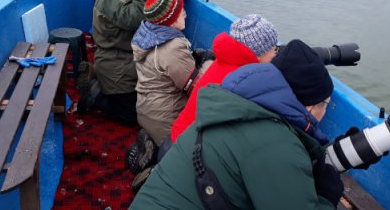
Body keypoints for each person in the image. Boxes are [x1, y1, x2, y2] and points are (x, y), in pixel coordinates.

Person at [131, 39, 345, 209]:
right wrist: (327, 195)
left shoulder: (231, 102)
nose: (325, 111)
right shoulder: (277, 144)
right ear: (309, 108)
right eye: (325, 104)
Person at [170, 14, 278, 143]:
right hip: (187, 149)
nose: (275, 54)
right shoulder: (243, 81)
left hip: (177, 135)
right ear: (259, 53)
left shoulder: (224, 62)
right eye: (274, 49)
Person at [92, 0, 154, 124]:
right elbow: (136, 17)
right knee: (137, 118)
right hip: (115, 66)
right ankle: (94, 94)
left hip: (123, 58)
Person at [132, 0, 195, 146]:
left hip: (146, 111)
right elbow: (194, 87)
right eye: (182, 12)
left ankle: (152, 144)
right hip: (167, 121)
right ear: (171, 21)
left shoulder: (145, 35)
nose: (185, 15)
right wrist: (208, 64)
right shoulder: (173, 47)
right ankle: (156, 158)